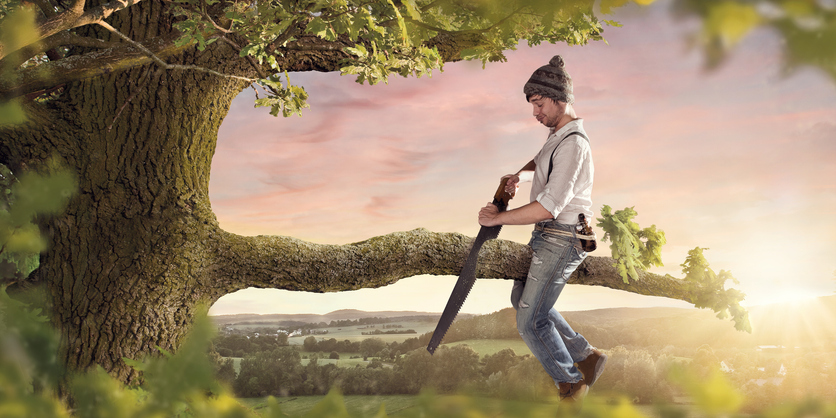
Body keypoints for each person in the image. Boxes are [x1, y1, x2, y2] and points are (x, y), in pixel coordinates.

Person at [477, 55, 607, 407]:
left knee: (529, 321)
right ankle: (587, 356)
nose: (535, 113)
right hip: (549, 234)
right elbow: (542, 158)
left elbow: (550, 206)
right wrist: (520, 175)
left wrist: (498, 219)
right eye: (533, 105)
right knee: (522, 300)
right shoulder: (558, 135)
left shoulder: (574, 144)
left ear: (560, 99)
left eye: (539, 104)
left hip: (563, 237)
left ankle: (571, 384)